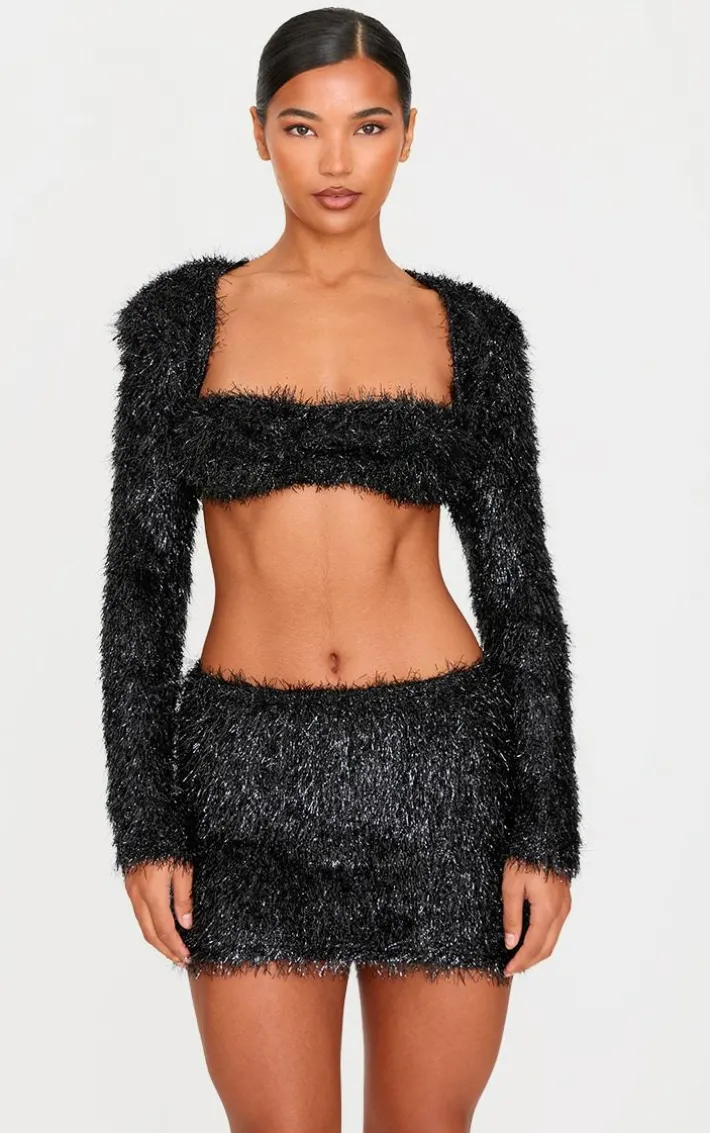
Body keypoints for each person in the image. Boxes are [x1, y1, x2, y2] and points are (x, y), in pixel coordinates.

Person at [100, 7, 582, 1128]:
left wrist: (544, 831)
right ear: (258, 132)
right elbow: (141, 586)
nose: (334, 160)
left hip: (443, 777)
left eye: (366, 126)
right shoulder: (182, 322)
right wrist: (145, 821)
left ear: (407, 133)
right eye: (301, 126)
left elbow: (519, 593)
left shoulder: (470, 332)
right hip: (244, 780)